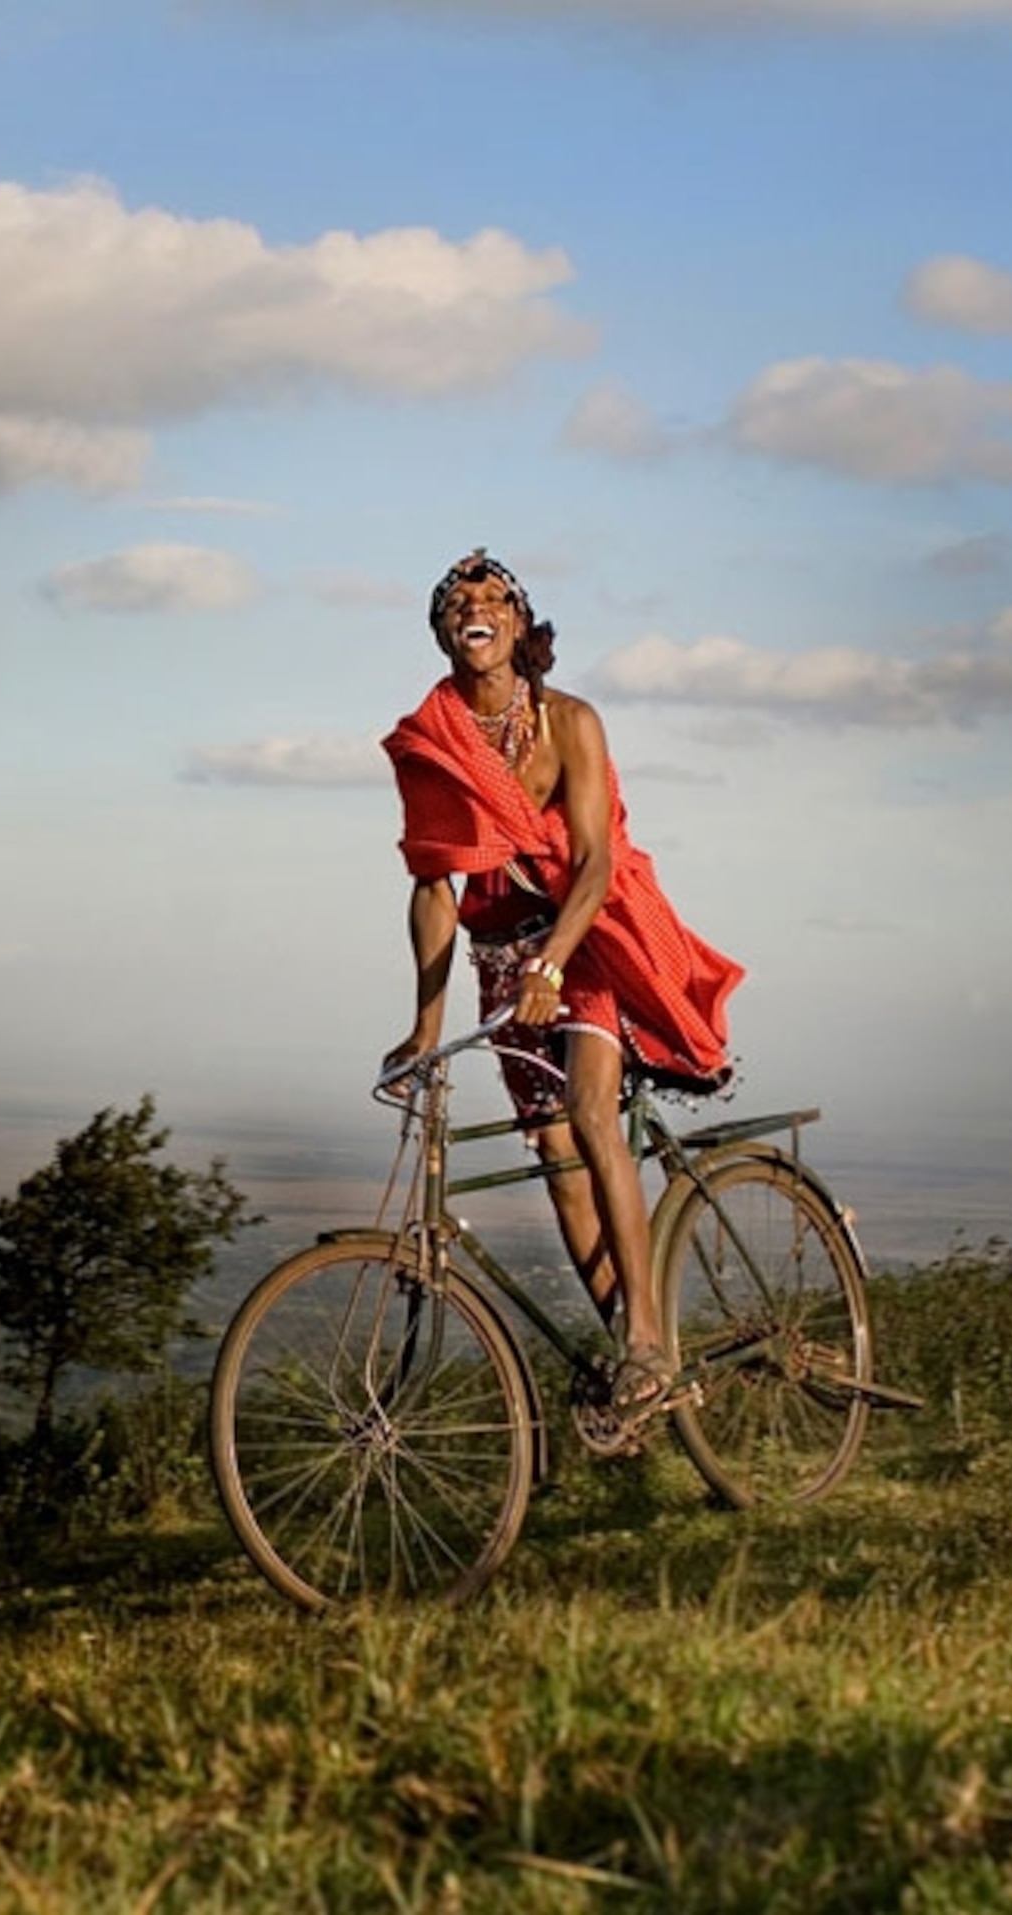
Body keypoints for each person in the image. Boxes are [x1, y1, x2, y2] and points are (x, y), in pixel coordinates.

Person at [378, 550, 744, 1441]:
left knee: (587, 1112)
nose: (477, 608)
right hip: (500, 948)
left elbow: (595, 861)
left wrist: (552, 968)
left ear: (518, 623)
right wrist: (423, 1028)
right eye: (460, 601)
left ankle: (651, 1343)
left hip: (584, 935)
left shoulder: (572, 721)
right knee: (553, 1158)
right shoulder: (434, 737)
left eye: (495, 597)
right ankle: (630, 1346)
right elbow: (435, 889)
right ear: (442, 632)